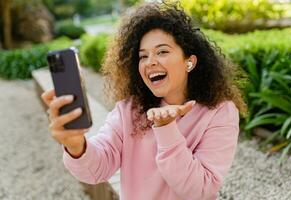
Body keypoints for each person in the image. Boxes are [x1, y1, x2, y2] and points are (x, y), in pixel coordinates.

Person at [41, 1, 247, 200]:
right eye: (142, 56)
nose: (150, 62)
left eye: (162, 51)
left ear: (189, 62)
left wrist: (166, 129)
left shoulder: (220, 111)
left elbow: (199, 191)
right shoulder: (130, 110)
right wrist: (76, 146)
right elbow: (96, 170)